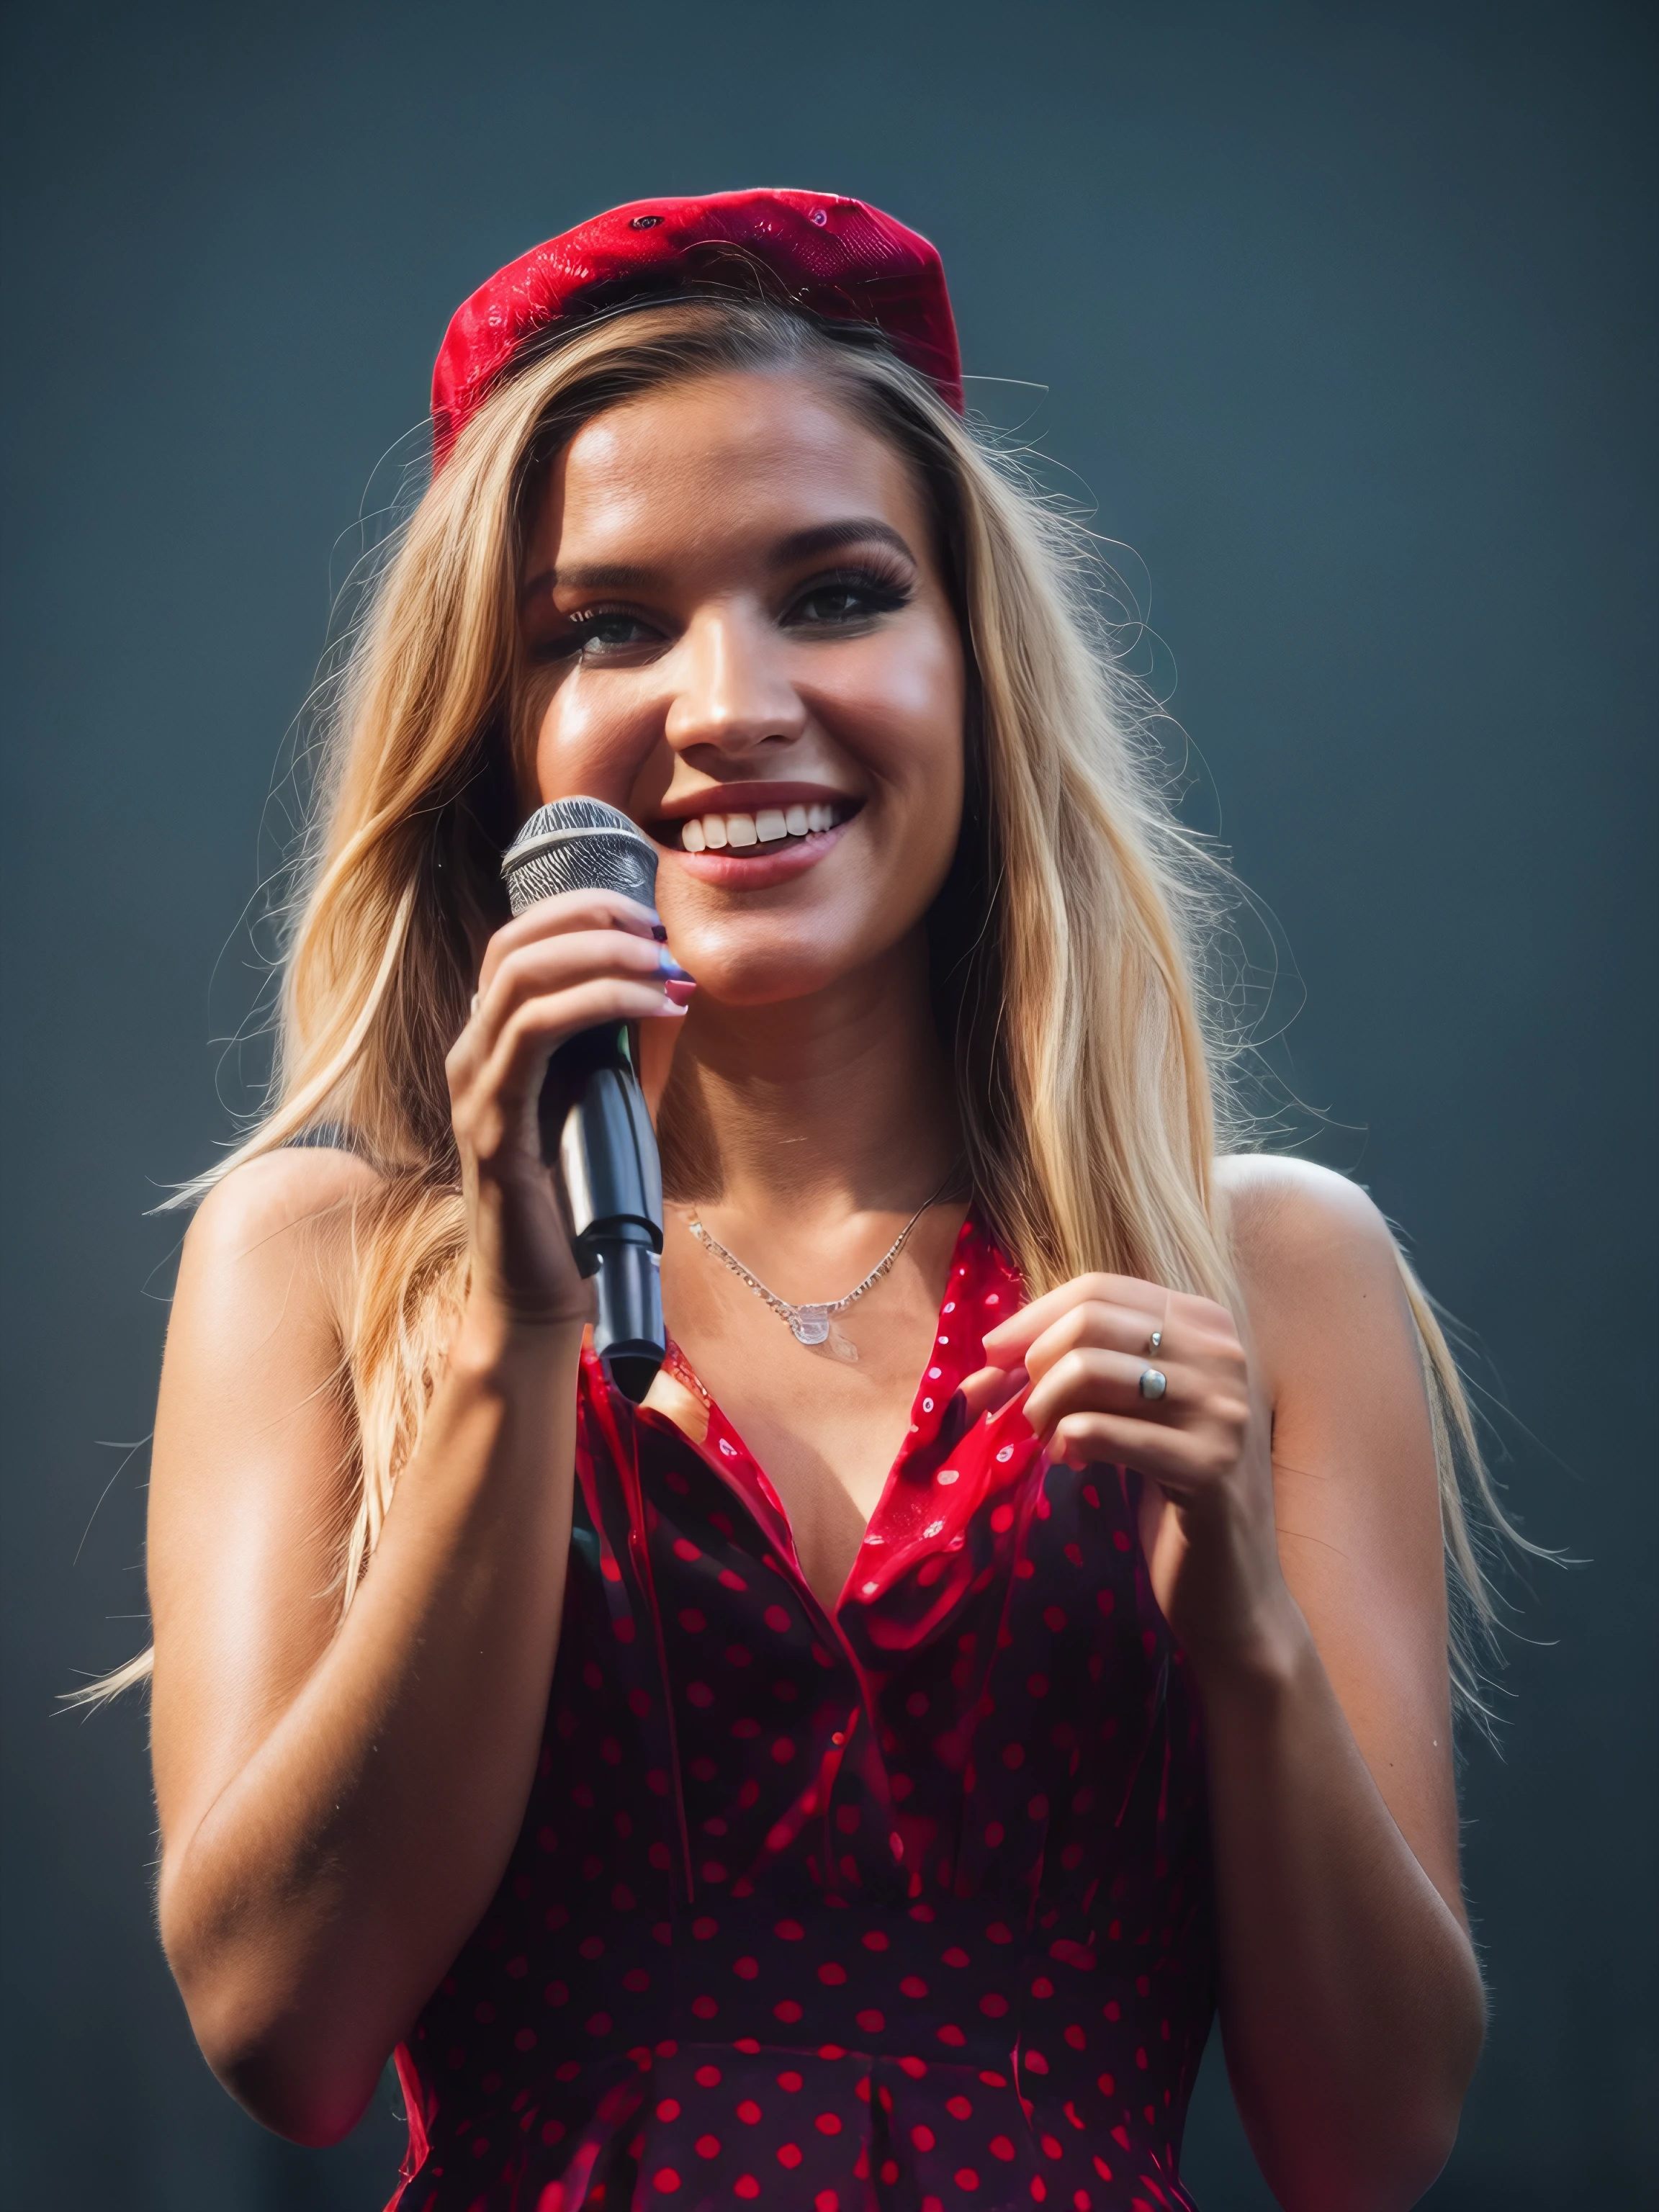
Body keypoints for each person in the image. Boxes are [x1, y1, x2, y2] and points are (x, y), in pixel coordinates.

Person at [134, 192, 1497, 2211]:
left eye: (837, 593)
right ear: (498, 737)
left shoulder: (1265, 1271)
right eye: (606, 626)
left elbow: (1368, 2144)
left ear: (975, 668)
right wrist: (518, 1351)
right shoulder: (322, 1266)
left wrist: (1253, 1644)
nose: (728, 703)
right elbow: (285, 2028)